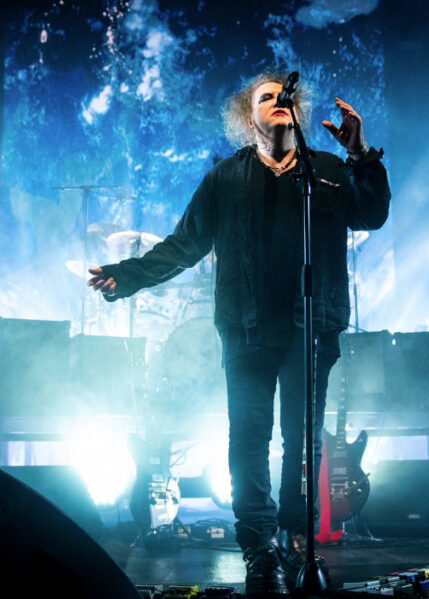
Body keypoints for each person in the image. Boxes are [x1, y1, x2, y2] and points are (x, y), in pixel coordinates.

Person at [87, 71, 390, 595]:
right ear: (247, 118)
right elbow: (183, 246)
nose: (277, 102)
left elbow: (373, 214)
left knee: (302, 438)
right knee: (249, 436)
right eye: (265, 97)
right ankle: (258, 546)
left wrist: (361, 154)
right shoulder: (225, 179)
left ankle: (299, 535)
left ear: (296, 110)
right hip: (246, 327)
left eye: (282, 97)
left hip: (311, 325)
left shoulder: (327, 171)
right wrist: (129, 274)